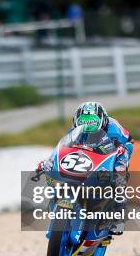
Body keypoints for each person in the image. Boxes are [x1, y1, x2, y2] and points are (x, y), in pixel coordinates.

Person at [38, 101, 133, 235]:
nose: (87, 125)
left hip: (121, 146)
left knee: (119, 175)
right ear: (76, 121)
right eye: (83, 121)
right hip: (89, 150)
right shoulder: (73, 130)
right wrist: (47, 162)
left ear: (101, 120)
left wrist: (116, 151)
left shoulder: (114, 130)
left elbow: (126, 145)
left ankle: (118, 218)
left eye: (91, 121)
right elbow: (61, 148)